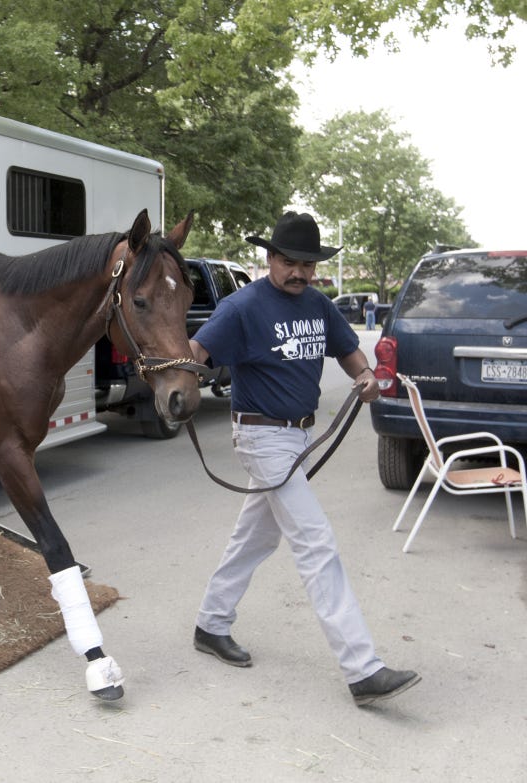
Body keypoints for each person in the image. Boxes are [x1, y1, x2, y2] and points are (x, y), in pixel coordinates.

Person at [189, 211, 419, 706]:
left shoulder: (317, 304)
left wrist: (366, 376)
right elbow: (195, 353)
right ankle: (363, 670)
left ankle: (211, 623)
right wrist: (173, 377)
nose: (299, 272)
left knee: (256, 536)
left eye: (308, 264)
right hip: (261, 437)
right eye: (289, 262)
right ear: (270, 258)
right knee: (316, 543)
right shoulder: (241, 307)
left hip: (299, 438)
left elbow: (348, 352)